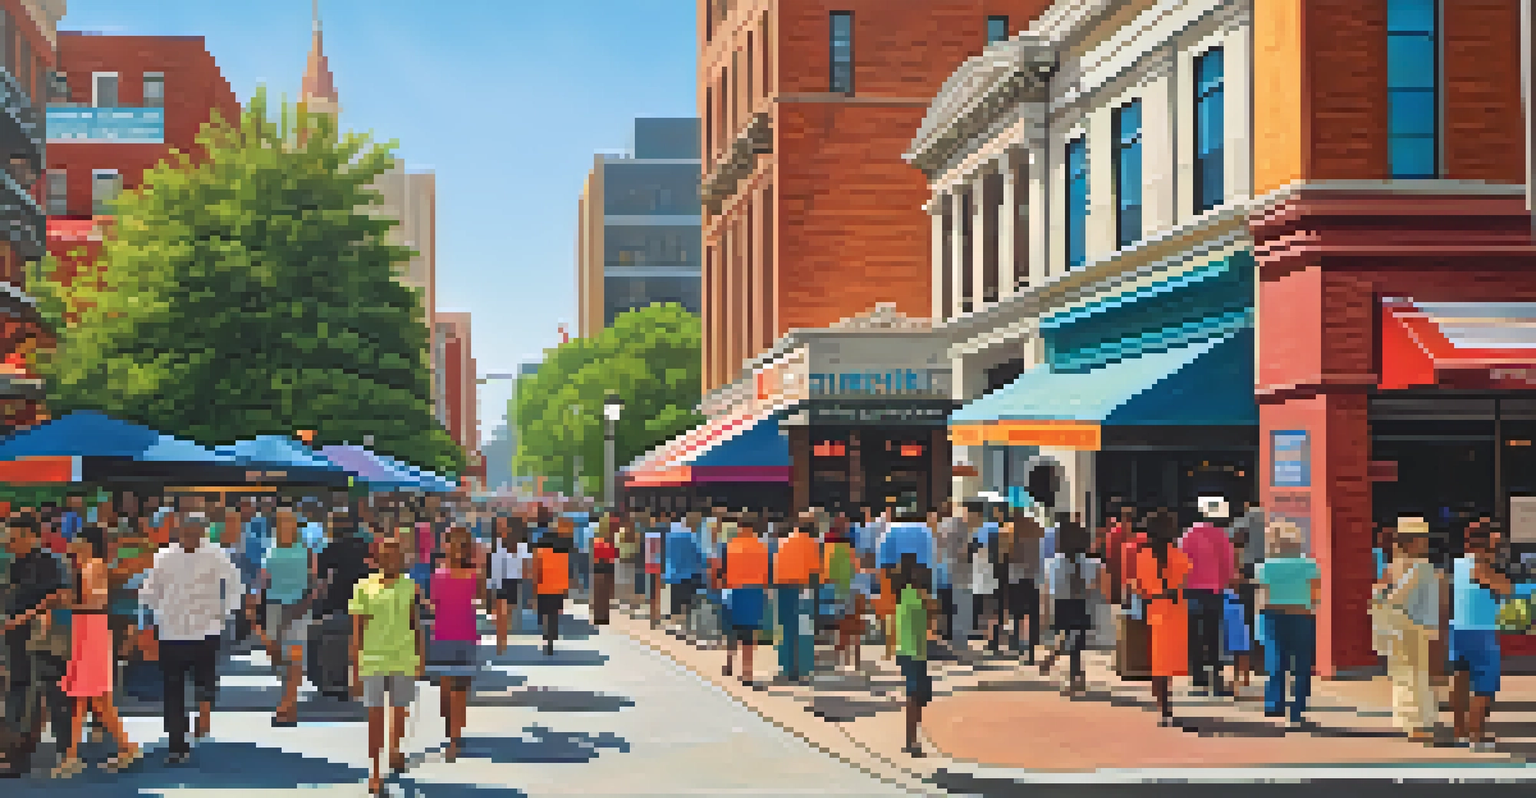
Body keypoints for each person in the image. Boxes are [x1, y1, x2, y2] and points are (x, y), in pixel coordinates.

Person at [138, 512, 245, 765]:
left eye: (196, 533)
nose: (191, 537)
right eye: (187, 533)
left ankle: (204, 711)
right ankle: (177, 745)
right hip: (172, 632)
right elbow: (149, 591)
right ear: (179, 532)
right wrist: (153, 620)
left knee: (205, 680)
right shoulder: (164, 557)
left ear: (204, 533)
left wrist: (223, 614)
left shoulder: (216, 554)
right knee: (172, 690)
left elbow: (234, 585)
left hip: (205, 630)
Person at [52, 526, 141, 777]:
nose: (74, 543)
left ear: (88, 543)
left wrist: (68, 602)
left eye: (79, 540)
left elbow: (97, 600)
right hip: (86, 628)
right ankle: (122, 747)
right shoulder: (85, 566)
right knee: (89, 697)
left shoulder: (94, 566)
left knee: (87, 695)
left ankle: (74, 756)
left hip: (91, 628)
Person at [1, 511, 75, 777]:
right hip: (15, 640)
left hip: (45, 641)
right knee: (18, 695)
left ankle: (65, 754)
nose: (10, 542)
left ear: (33, 537)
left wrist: (24, 617)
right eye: (8, 537)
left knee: (49, 696)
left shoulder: (52, 561)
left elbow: (63, 595)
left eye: (16, 537)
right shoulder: (13, 563)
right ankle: (16, 757)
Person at [350, 533, 424, 796]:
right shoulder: (363, 587)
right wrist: (355, 665)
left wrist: (420, 658)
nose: (391, 558)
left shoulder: (410, 586)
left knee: (399, 711)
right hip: (372, 658)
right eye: (387, 553)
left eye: (396, 554)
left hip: (403, 656)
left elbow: (416, 624)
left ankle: (394, 749)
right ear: (378, 557)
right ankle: (375, 771)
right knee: (374, 716)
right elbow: (357, 628)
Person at [1371, 515, 1439, 743]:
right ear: (1413, 541)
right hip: (1414, 626)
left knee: (1402, 674)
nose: (1426, 543)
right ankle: (1419, 723)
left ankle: (1409, 720)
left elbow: (1378, 593)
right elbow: (1416, 600)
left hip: (1396, 626)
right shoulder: (1422, 567)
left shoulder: (1393, 566)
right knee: (1416, 675)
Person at [1449, 518, 1510, 752]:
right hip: (1481, 632)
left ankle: (1459, 732)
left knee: (1460, 680)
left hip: (1459, 628)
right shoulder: (1480, 565)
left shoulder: (1458, 564)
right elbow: (1506, 588)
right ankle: (1476, 736)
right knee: (1484, 686)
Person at [1131, 509, 1191, 725]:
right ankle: (1167, 705)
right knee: (1169, 661)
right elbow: (1185, 577)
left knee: (1157, 662)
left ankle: (1163, 705)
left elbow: (1139, 587)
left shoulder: (1143, 556)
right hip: (1176, 609)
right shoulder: (1178, 555)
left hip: (1155, 607)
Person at [428, 527, 482, 763]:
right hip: (452, 636)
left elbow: (435, 604)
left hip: (456, 636)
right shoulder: (443, 574)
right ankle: (453, 734)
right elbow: (435, 605)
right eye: (453, 542)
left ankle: (453, 738)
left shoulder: (466, 575)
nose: (456, 547)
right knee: (452, 692)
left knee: (455, 690)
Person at [262, 508, 313, 726]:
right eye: (281, 522)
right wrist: (254, 598)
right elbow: (263, 577)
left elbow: (314, 580)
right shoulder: (271, 548)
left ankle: (287, 704)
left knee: (295, 657)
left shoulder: (306, 549)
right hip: (274, 606)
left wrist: (306, 602)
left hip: (298, 607)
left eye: (289, 522)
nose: (285, 526)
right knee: (276, 656)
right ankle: (288, 694)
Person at [1180, 498, 1236, 697]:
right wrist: (1226, 580)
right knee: (1213, 633)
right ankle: (1216, 672)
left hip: (1192, 589)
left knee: (1194, 633)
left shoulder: (1187, 536)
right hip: (1214, 589)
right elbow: (1229, 561)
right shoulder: (1220, 535)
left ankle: (1198, 675)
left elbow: (1181, 563)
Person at [1039, 517, 1100, 695]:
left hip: (1061, 605)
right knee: (1076, 643)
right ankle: (1075, 676)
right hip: (1081, 605)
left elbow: (1048, 590)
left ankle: (1070, 670)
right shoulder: (1090, 563)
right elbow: (1093, 587)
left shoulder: (1052, 563)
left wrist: (1045, 612)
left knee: (1068, 637)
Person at [893, 550, 934, 757]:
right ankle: (911, 741)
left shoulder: (905, 594)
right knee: (914, 696)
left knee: (918, 697)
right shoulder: (913, 595)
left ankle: (912, 739)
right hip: (913, 652)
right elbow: (931, 611)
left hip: (913, 651)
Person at [722, 516, 770, 685]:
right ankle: (747, 672)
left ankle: (729, 662)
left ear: (739, 527)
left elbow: (723, 570)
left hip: (734, 590)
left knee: (732, 629)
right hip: (755, 591)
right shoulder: (761, 547)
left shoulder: (730, 546)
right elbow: (767, 572)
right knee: (750, 633)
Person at [773, 518, 821, 683]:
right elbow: (815, 570)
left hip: (781, 587)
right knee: (803, 629)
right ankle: (801, 669)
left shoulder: (783, 541)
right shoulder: (811, 543)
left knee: (785, 628)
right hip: (801, 588)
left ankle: (785, 667)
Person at [1005, 512, 1044, 662]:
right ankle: (1031, 651)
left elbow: (1011, 558)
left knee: (1017, 615)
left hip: (1017, 579)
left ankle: (1016, 643)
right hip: (1033, 580)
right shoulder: (1036, 537)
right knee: (1032, 616)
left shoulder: (1013, 535)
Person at [489, 516, 529, 653]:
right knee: (501, 613)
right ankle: (500, 642)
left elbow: (525, 565)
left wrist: (525, 576)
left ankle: (503, 637)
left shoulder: (520, 546)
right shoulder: (496, 544)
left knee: (507, 612)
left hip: (513, 581)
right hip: (498, 581)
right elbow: (490, 564)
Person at [532, 520, 573, 656]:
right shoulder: (563, 552)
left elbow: (536, 570)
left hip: (543, 587)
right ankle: (551, 637)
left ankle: (547, 637)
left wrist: (534, 586)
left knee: (545, 614)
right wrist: (566, 588)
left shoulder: (540, 551)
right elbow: (566, 570)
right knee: (554, 614)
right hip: (558, 587)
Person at [591, 516, 618, 626]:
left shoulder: (602, 542)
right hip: (603, 570)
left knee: (602, 595)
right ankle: (601, 616)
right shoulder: (604, 543)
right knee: (602, 595)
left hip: (603, 570)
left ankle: (601, 616)